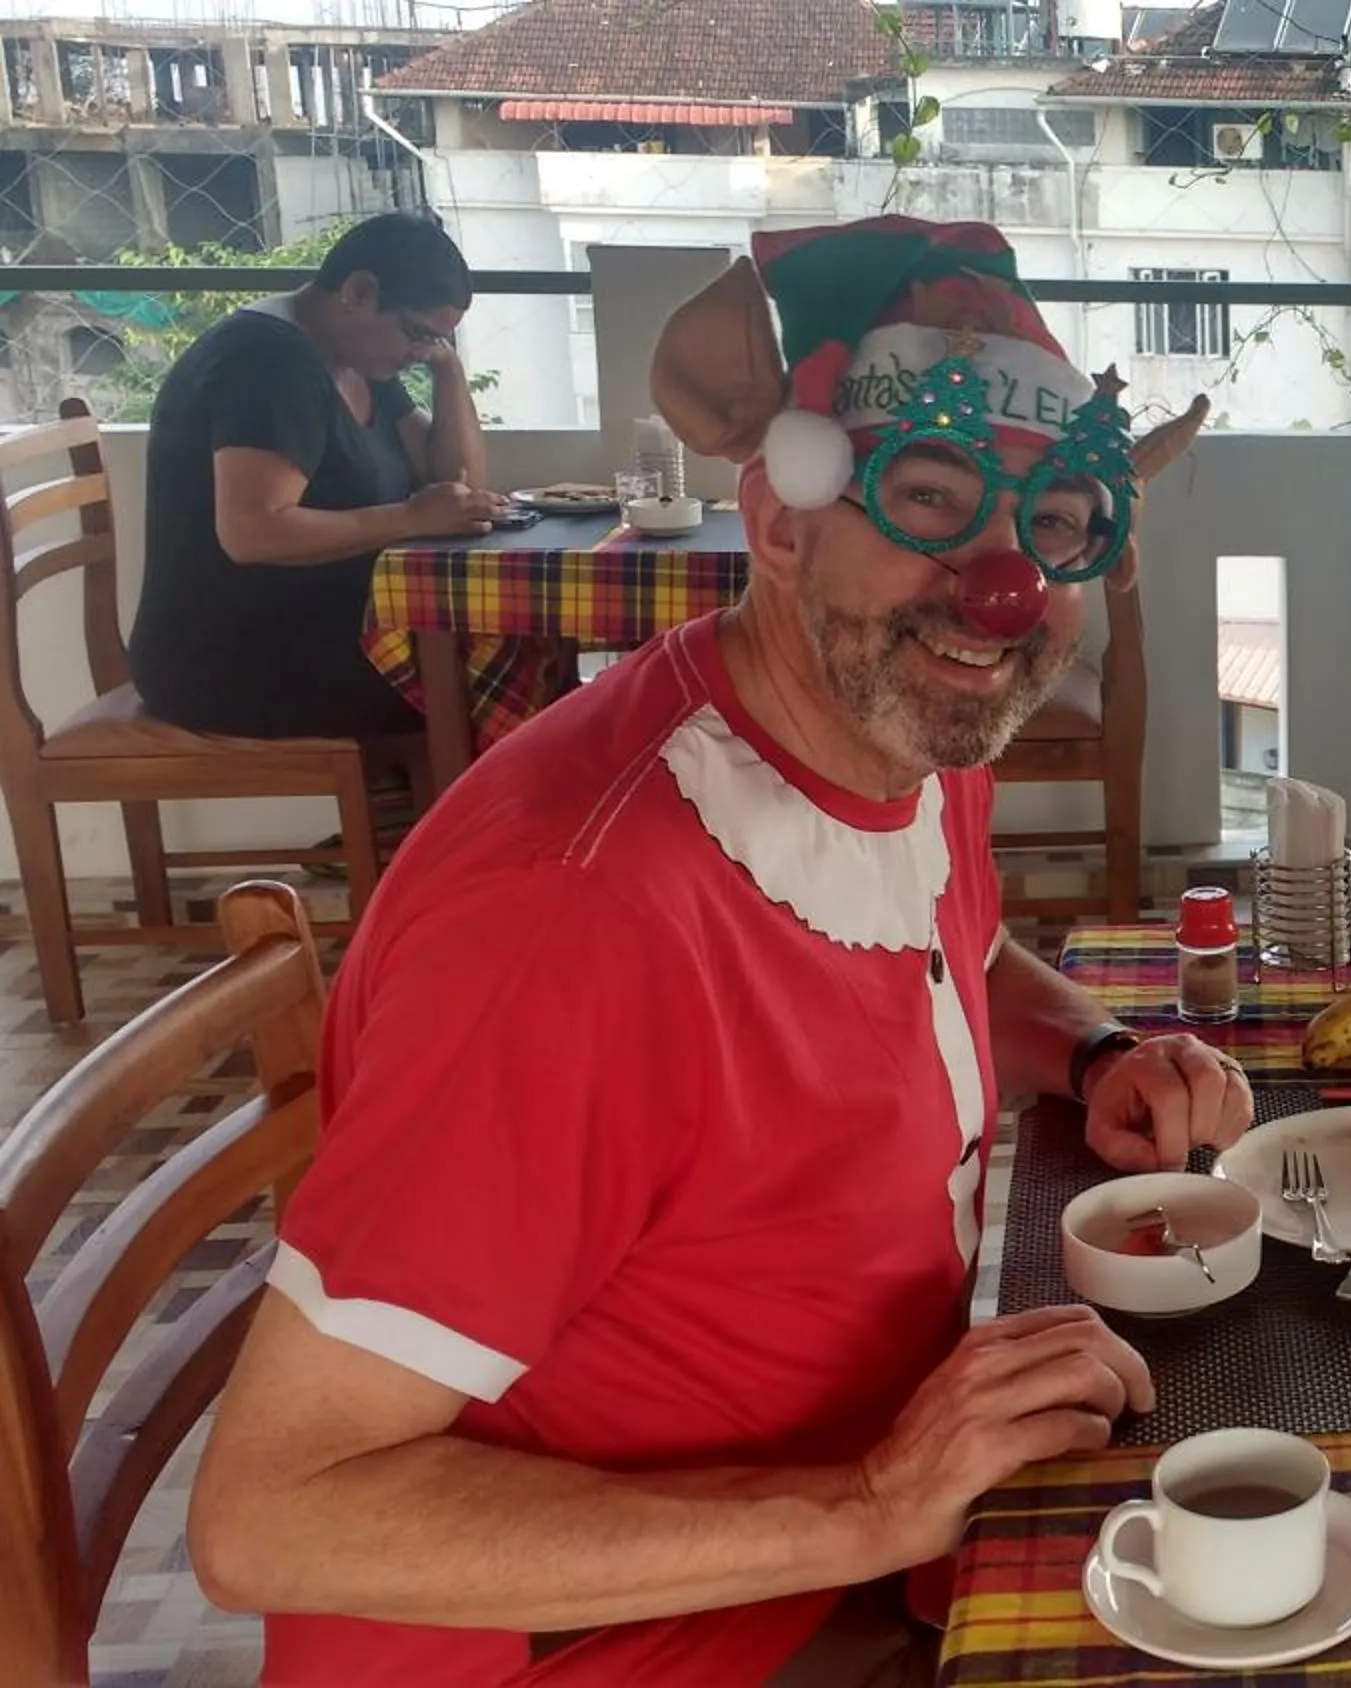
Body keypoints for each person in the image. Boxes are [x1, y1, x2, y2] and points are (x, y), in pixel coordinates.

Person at [186, 217, 1246, 1686]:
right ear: (780, 521)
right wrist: (866, 1508)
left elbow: (943, 955)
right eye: (929, 499)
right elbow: (272, 1517)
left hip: (855, 1516)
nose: (1001, 586)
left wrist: (1092, 1050)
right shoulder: (572, 926)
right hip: (652, 1639)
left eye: (1058, 524)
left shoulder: (904, 729)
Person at [128, 211, 511, 740]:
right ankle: (435, 822)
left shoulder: (354, 355)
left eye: (434, 341)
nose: (417, 352)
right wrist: (409, 517)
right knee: (487, 680)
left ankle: (423, 819)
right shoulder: (267, 361)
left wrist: (447, 370)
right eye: (417, 334)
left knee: (520, 652)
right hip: (235, 662)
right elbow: (252, 531)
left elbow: (454, 478)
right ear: (358, 291)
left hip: (321, 633)